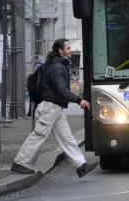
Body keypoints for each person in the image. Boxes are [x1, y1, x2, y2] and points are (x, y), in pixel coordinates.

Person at [11, 39, 98, 178]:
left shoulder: (57, 64)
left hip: (55, 108)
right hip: (50, 108)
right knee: (38, 135)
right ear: (60, 51)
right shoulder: (57, 67)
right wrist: (79, 100)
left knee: (67, 138)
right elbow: (61, 90)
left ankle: (81, 165)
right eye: (68, 48)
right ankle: (20, 162)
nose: (70, 50)